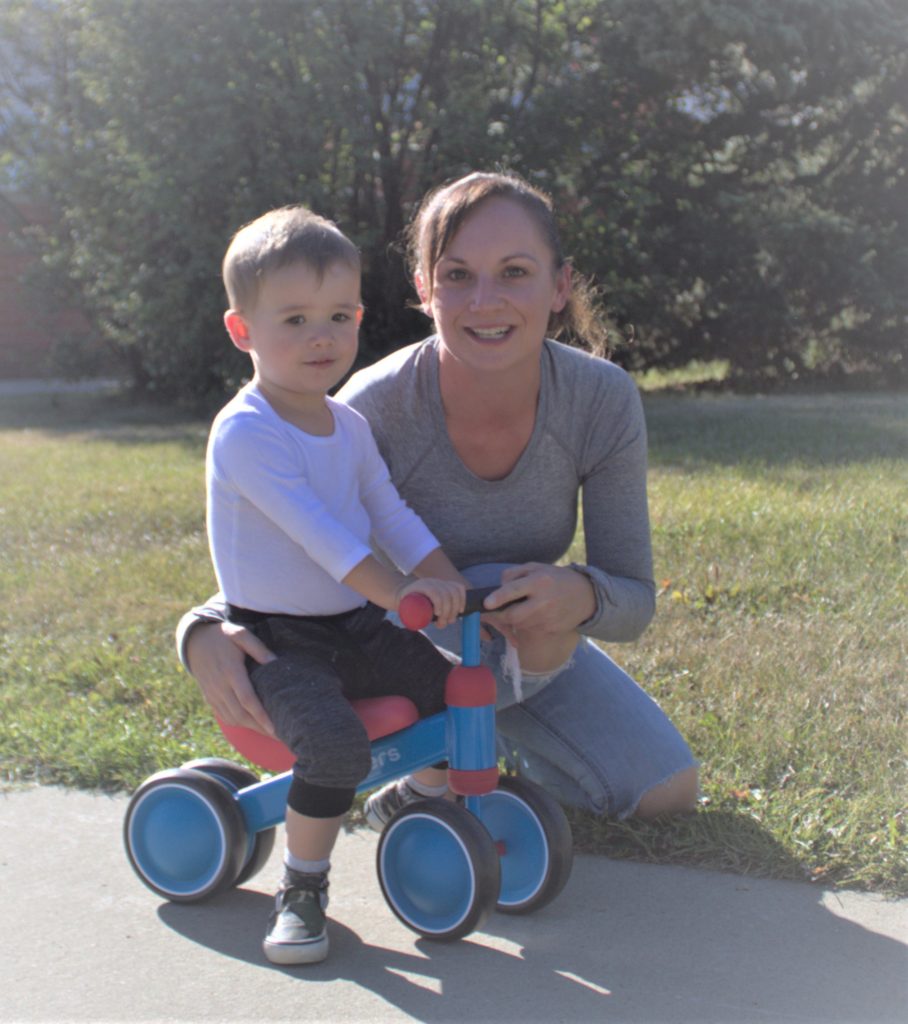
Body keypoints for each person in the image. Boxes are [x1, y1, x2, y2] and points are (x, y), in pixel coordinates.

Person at [180, 170, 698, 843]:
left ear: (559, 285)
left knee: (665, 792)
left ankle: (446, 773)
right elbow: (291, 539)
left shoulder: (600, 400)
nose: (485, 301)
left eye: (515, 272)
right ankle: (437, 772)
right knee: (443, 657)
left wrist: (581, 595)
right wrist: (199, 631)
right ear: (424, 289)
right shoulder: (366, 408)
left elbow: (634, 596)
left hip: (528, 638)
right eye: (456, 275)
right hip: (398, 639)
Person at [206, 205, 467, 966]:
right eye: (294, 319)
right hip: (277, 641)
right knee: (330, 744)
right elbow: (328, 542)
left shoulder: (346, 425)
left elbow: (389, 512)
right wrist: (402, 595)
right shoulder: (247, 430)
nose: (323, 337)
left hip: (352, 624)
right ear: (242, 330)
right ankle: (303, 887)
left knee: (454, 691)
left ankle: (414, 799)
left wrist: (444, 577)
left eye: (339, 315)